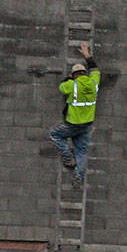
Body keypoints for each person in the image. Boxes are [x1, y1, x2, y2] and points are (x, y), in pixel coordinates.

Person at [48, 42, 100, 188]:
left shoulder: (72, 84)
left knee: (55, 134)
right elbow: (95, 69)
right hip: (87, 124)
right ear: (85, 73)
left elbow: (62, 88)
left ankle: (68, 158)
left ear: (74, 75)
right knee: (82, 151)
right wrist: (87, 54)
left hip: (72, 124)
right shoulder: (94, 82)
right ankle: (78, 176)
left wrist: (69, 78)